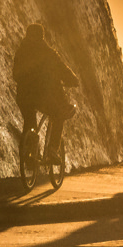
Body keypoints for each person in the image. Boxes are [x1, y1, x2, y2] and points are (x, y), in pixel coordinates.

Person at [13, 23, 79, 164]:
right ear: (42, 37)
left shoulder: (21, 51)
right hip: (41, 97)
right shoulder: (49, 53)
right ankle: (53, 150)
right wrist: (74, 80)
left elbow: (15, 75)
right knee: (58, 115)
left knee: (29, 121)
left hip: (23, 96)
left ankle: (28, 152)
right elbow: (63, 70)